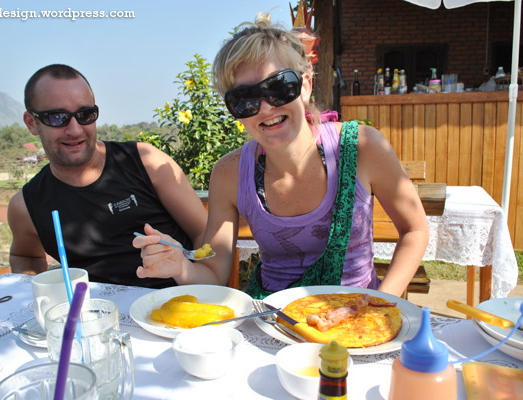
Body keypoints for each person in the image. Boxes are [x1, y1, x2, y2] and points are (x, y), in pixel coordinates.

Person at [133, 14, 429, 298]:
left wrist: (380, 303)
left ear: (305, 85)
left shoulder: (363, 147)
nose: (265, 108)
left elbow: (415, 230)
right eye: (244, 99)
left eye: (278, 87)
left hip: (357, 316)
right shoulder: (229, 173)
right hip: (270, 319)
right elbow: (214, 273)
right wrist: (182, 267)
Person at [8, 64, 207, 288]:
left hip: (177, 301)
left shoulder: (146, 162)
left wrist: (204, 281)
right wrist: (37, 291)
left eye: (85, 115)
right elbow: (25, 256)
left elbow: (204, 232)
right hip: (92, 308)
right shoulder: (26, 205)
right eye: (57, 117)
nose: (75, 130)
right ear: (31, 123)